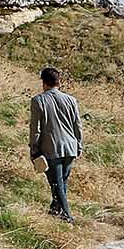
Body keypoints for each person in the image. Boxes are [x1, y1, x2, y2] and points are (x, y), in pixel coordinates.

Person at [29, 66, 84, 222]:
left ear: (43, 82)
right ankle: (55, 211)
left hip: (51, 148)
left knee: (56, 184)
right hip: (71, 147)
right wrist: (79, 145)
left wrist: (34, 149)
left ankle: (67, 216)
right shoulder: (71, 100)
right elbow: (77, 125)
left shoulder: (38, 101)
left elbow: (35, 128)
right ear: (58, 82)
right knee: (62, 182)